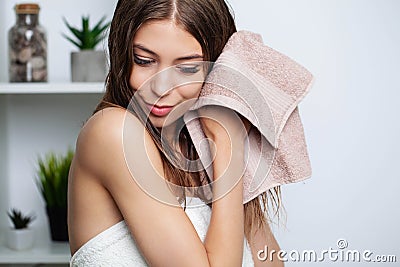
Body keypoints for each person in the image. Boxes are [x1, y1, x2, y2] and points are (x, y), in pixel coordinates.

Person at [68, 0, 283, 266]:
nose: (161, 87)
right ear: (122, 53)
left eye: (188, 68)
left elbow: (270, 262)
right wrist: (229, 142)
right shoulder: (113, 132)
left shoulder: (201, 146)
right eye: (144, 61)